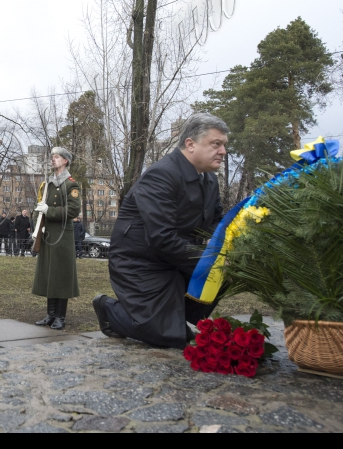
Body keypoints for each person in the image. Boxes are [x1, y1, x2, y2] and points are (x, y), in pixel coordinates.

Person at [93, 113, 229, 350]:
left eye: (224, 145)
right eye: (216, 144)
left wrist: (227, 247)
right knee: (169, 338)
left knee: (227, 271)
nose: (223, 151)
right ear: (190, 144)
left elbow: (216, 220)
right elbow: (161, 237)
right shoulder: (162, 175)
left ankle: (177, 318)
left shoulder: (209, 180)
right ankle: (109, 309)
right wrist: (209, 260)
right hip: (140, 263)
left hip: (176, 260)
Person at [32, 148, 81, 331]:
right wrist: (36, 226)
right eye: (52, 157)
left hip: (62, 235)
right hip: (48, 234)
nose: (53, 160)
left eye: (57, 157)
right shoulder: (48, 184)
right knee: (49, 275)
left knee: (61, 276)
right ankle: (51, 315)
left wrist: (49, 211)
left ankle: (60, 317)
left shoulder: (71, 185)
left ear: (65, 161)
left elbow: (73, 210)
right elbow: (39, 207)